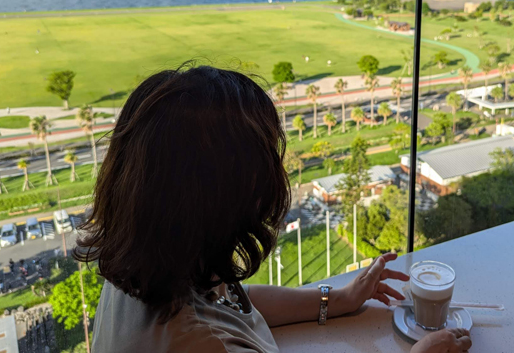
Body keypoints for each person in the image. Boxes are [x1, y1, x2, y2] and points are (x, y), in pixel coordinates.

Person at [76, 65, 471, 353]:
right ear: (223, 199)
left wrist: (338, 300)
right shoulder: (202, 345)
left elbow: (235, 302)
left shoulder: (142, 265)